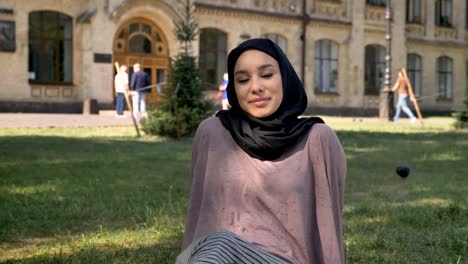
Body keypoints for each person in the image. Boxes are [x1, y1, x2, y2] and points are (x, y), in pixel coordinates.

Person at [177, 38, 347, 264]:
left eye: (266, 75)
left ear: (285, 78)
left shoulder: (317, 139)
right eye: (243, 80)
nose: (255, 87)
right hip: (212, 256)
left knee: (221, 243)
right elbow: (198, 214)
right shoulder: (212, 133)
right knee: (220, 243)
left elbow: (329, 226)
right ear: (234, 88)